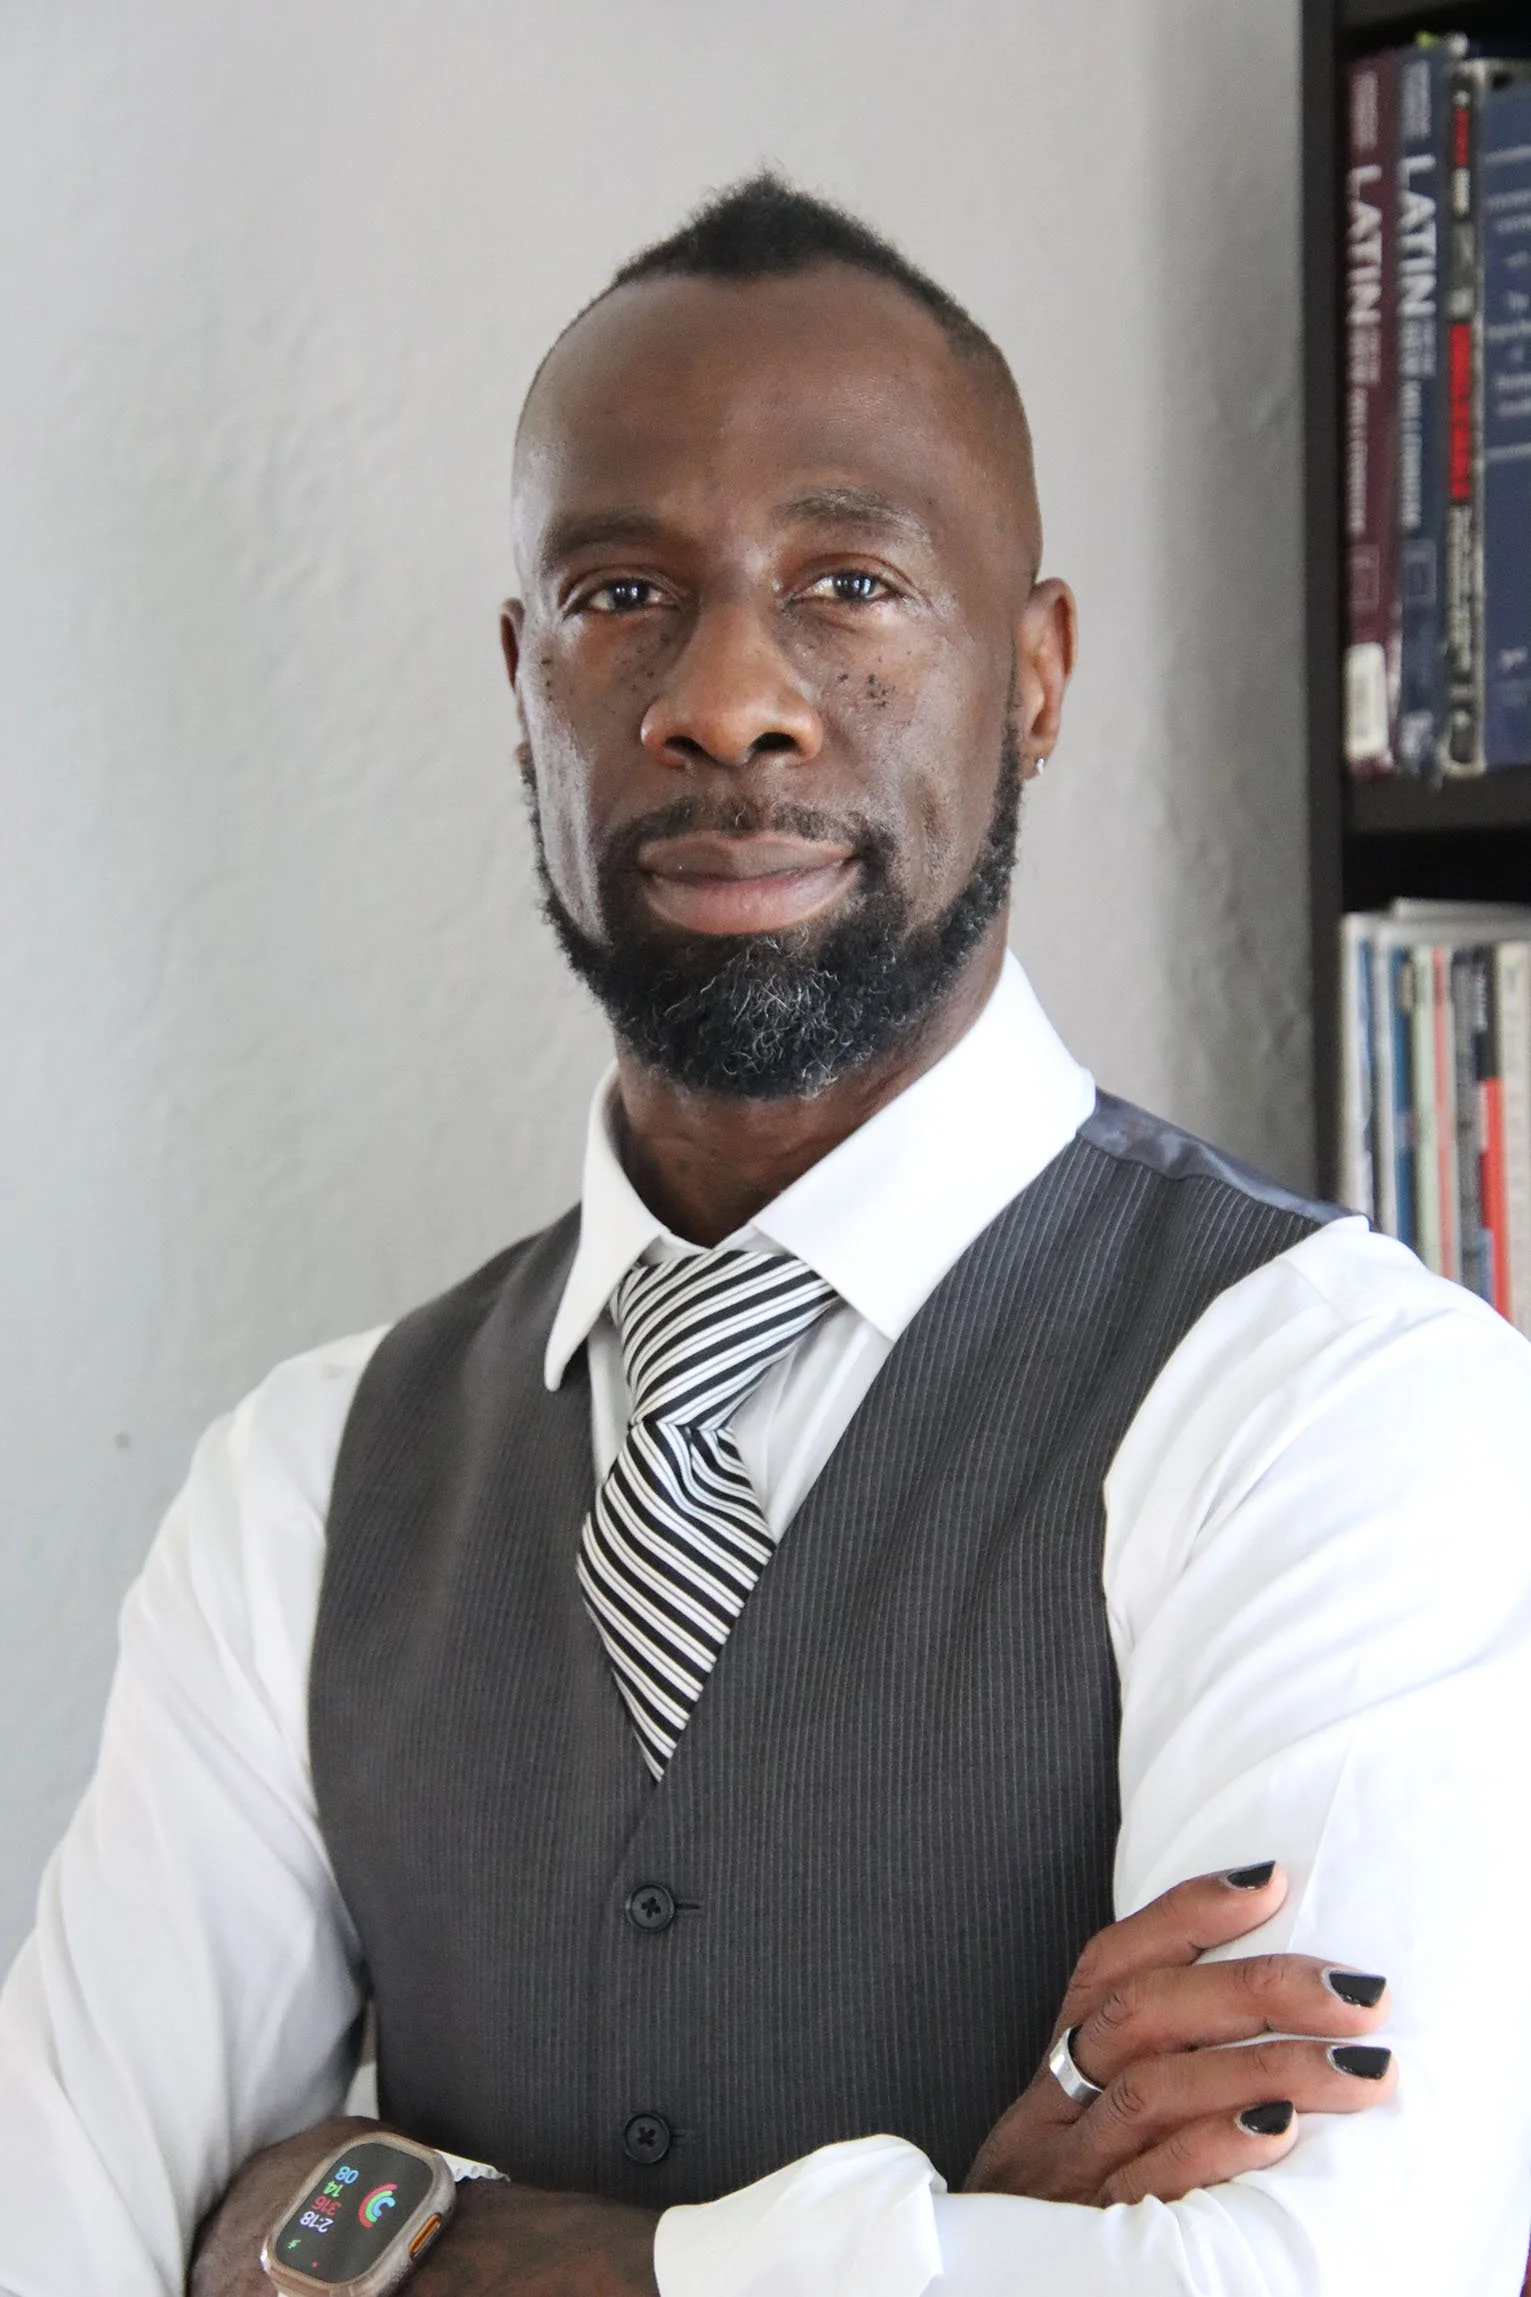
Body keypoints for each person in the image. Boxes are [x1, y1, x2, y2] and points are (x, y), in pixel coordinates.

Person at [2, 174, 1530, 2297]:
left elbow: (1326, 2274)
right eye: (623, 591)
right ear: (519, 674)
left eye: (851, 580)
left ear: (1043, 669)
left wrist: (424, 2249)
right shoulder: (301, 1488)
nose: (732, 697)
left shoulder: (1340, 1406)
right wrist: (954, 2242)